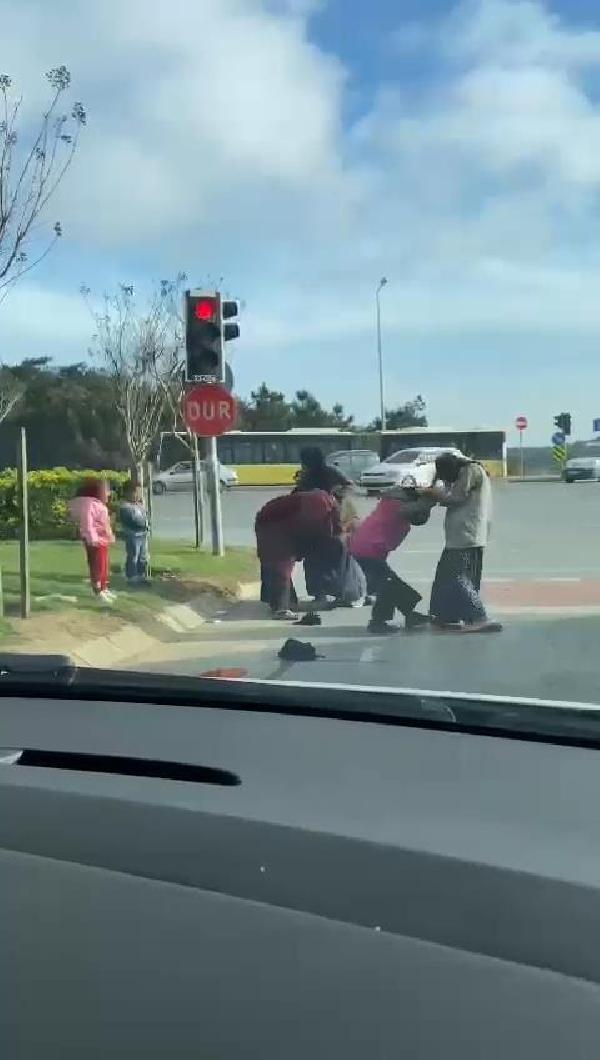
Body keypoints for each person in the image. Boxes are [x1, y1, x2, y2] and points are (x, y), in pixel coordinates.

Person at [423, 452, 501, 633]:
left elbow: (457, 497)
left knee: (457, 577)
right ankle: (444, 617)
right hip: (459, 536)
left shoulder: (471, 469)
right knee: (444, 578)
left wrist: (433, 494)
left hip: (467, 536)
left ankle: (478, 616)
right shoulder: (464, 471)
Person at [349, 487, 434, 634]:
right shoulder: (395, 505)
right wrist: (430, 499)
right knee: (387, 586)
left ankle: (410, 615)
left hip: (367, 549)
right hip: (367, 551)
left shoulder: (392, 503)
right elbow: (415, 510)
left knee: (391, 583)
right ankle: (377, 622)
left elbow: (418, 516)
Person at [68, 478, 115, 604]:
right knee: (97, 566)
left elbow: (105, 523)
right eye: (106, 490)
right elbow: (87, 523)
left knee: (104, 565)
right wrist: (92, 539)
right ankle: (98, 590)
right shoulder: (89, 504)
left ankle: (104, 587)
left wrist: (110, 535)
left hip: (103, 540)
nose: (108, 494)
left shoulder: (99, 504)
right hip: (95, 541)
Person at [119, 482, 150, 585]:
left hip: (142, 534)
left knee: (143, 556)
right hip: (133, 535)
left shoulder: (139, 505)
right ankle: (132, 576)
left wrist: (146, 524)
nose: (139, 495)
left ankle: (141, 575)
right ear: (128, 493)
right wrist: (143, 524)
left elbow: (145, 516)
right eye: (137, 492)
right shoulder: (125, 507)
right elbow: (132, 521)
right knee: (133, 555)